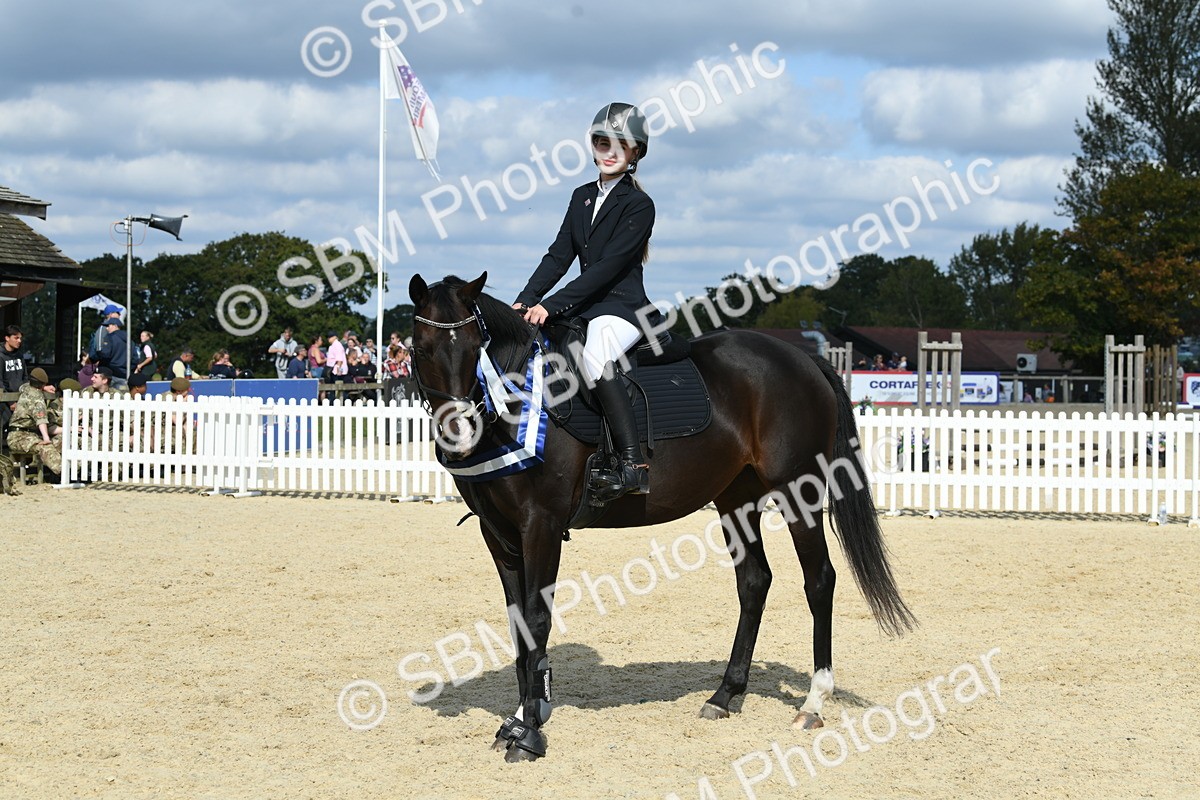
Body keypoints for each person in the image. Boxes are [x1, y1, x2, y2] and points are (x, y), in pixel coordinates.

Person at [513, 102, 657, 500]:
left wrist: (552, 305)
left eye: (620, 144)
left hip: (623, 307)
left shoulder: (639, 205)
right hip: (584, 305)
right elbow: (559, 255)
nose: (608, 151)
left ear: (635, 153)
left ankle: (632, 464)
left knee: (594, 356)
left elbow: (607, 269)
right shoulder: (580, 197)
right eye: (601, 141)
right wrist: (525, 301)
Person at [6, 367, 62, 477]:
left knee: (58, 441)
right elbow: (41, 420)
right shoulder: (37, 399)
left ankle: (67, 470)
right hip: (19, 437)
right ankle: (63, 472)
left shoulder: (26, 389)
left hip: (21, 434)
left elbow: (23, 386)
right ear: (42, 384)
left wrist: (43, 387)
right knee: (46, 447)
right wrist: (46, 438)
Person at [2, 325, 27, 443]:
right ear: (7, 338)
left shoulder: (20, 356)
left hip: (20, 399)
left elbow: (25, 377)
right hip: (4, 401)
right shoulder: (1, 356)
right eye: (16, 338)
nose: (19, 341)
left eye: (20, 338)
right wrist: (10, 402)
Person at [90, 316, 129, 388]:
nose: (107, 328)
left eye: (108, 326)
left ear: (115, 326)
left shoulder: (110, 338)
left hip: (112, 372)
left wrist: (97, 356)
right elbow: (135, 358)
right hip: (125, 373)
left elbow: (105, 354)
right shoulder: (129, 339)